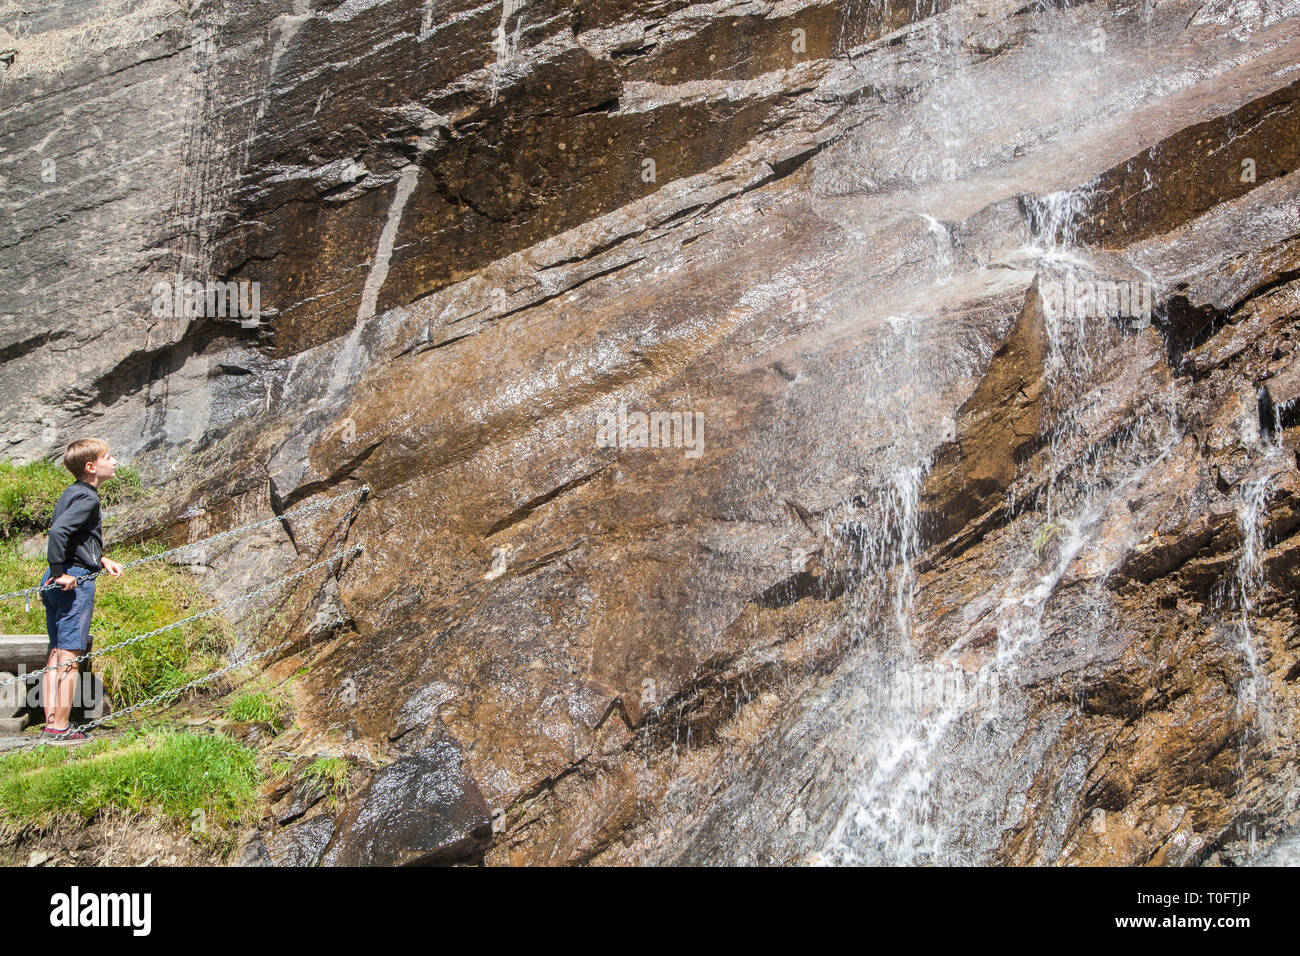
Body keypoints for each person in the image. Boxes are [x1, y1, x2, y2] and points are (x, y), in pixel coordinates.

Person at [39, 438, 123, 743]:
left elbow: (75, 538)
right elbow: (59, 532)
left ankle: (51, 722)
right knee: (70, 656)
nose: (114, 462)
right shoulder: (88, 498)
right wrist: (63, 573)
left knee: (56, 654)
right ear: (91, 467)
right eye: (108, 457)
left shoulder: (72, 493)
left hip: (56, 578)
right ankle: (61, 727)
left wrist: (100, 559)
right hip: (72, 582)